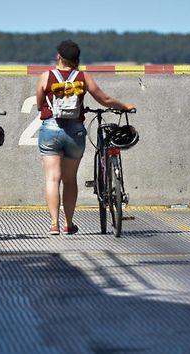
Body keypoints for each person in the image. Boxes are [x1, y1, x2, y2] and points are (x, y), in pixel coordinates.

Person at [36, 40, 135, 235]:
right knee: (70, 179)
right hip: (75, 132)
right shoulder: (83, 77)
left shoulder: (46, 76)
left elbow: (40, 104)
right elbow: (104, 99)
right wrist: (124, 106)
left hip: (51, 130)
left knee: (52, 179)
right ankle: (69, 223)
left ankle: (54, 224)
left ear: (59, 56)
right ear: (76, 59)